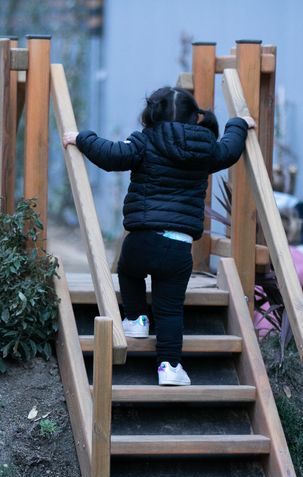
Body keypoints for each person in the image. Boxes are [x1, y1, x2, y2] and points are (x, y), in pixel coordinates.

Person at [63, 86, 252, 386]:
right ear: (194, 116)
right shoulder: (205, 148)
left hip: (141, 239)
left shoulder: (144, 141)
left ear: (151, 114)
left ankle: (136, 319)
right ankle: (169, 367)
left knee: (128, 271)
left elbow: (111, 155)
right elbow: (230, 149)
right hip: (178, 248)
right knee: (170, 310)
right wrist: (239, 123)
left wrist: (82, 138)